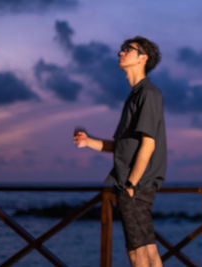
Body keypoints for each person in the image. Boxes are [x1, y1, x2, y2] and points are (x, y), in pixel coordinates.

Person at [73, 36, 166, 267]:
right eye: (121, 49)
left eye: (128, 49)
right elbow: (123, 147)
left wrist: (131, 184)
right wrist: (88, 142)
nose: (121, 53)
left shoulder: (148, 93)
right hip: (135, 184)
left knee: (137, 254)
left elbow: (148, 143)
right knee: (148, 250)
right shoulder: (136, 94)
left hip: (136, 184)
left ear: (142, 58)